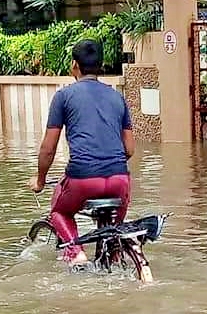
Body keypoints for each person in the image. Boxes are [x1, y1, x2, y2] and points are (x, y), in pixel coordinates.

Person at [29, 39, 135, 266]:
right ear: (101, 65)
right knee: (113, 228)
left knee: (59, 212)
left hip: (82, 179)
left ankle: (76, 252)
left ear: (75, 65)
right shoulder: (117, 97)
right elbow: (130, 149)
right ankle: (114, 251)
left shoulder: (63, 96)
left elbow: (48, 149)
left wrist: (39, 180)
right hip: (120, 181)